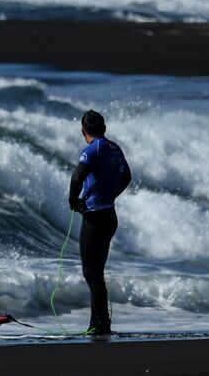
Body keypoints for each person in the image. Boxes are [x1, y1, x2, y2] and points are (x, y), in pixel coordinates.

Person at [68, 110, 131, 335]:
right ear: (104, 128)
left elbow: (77, 177)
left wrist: (73, 201)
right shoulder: (115, 148)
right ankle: (98, 323)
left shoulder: (92, 149)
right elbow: (127, 177)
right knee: (97, 272)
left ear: (84, 132)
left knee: (91, 273)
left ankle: (100, 324)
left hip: (94, 217)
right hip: (109, 215)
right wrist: (111, 195)